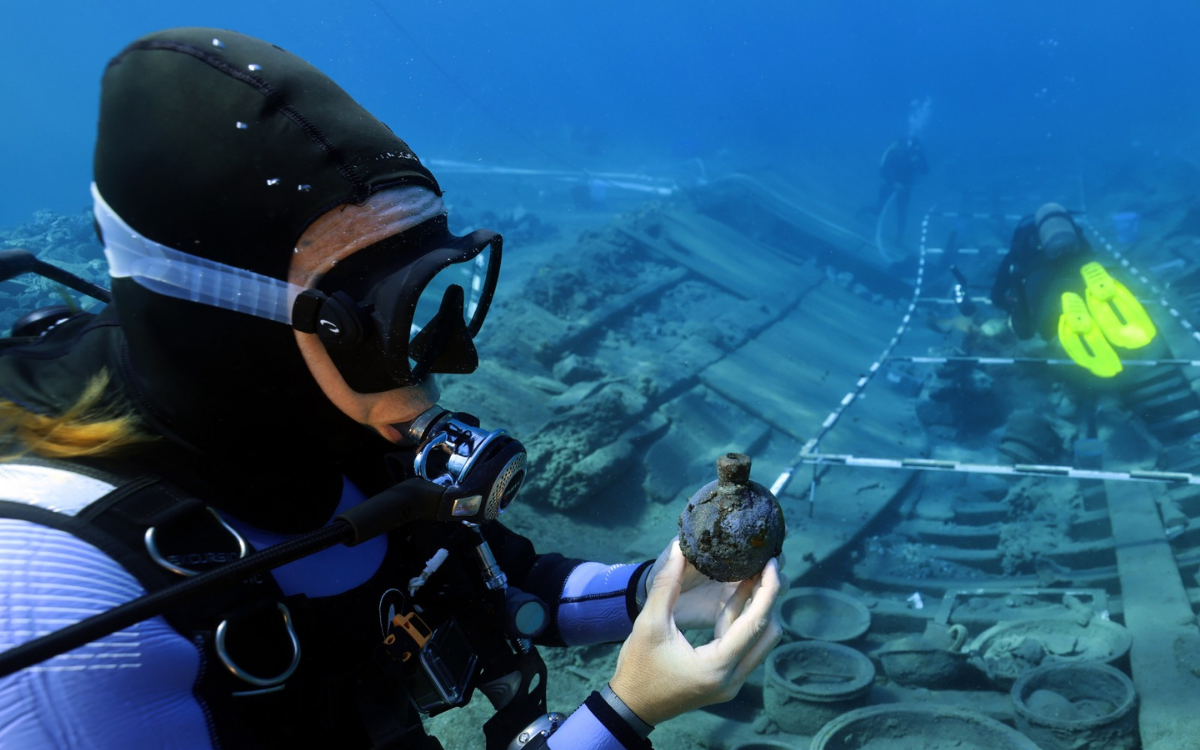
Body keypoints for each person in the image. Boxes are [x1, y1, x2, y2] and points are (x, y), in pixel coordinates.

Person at [0, 28, 783, 750]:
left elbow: (499, 582)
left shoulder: (326, 425)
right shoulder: (70, 632)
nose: (441, 363)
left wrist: (665, 591)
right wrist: (623, 714)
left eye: (443, 295)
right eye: (378, 321)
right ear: (239, 342)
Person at [991, 202, 1156, 377]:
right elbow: (1090, 254)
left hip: (1040, 279)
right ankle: (1100, 304)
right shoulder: (1074, 233)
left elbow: (996, 296)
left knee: (1040, 330)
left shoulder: (1022, 241)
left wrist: (1016, 306)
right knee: (1093, 294)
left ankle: (1067, 321)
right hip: (1079, 271)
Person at [876, 136, 928, 245]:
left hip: (904, 189)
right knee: (880, 208)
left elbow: (925, 170)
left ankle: (899, 238)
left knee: (901, 213)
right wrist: (894, 183)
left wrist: (919, 159)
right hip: (890, 185)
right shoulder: (897, 152)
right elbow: (883, 170)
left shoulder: (916, 155)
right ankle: (872, 220)